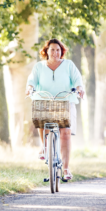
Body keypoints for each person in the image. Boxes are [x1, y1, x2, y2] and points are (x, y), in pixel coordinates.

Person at [25, 38, 85, 182]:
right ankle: (45, 147)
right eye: (52, 49)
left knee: (65, 133)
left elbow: (77, 79)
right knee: (41, 120)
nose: (55, 52)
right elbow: (32, 80)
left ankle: (65, 168)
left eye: (58, 50)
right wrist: (29, 88)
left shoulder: (68, 65)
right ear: (46, 51)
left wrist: (79, 89)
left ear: (61, 51)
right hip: (44, 101)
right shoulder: (39, 67)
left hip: (65, 101)